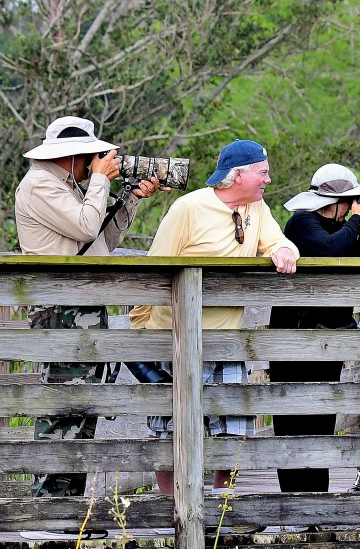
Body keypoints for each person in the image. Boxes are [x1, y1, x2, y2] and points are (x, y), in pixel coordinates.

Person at [14, 116, 164, 540]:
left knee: (82, 411)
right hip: (60, 309)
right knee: (61, 410)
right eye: (92, 157)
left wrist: (131, 198)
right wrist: (100, 181)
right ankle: (46, 514)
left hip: (81, 307)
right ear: (72, 156)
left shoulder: (69, 186)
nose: (99, 163)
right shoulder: (40, 184)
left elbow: (98, 245)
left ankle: (68, 516)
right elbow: (83, 225)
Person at [129, 139, 300, 496]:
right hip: (174, 337)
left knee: (235, 429)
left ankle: (224, 503)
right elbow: (153, 269)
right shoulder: (187, 208)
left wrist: (285, 249)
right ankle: (170, 506)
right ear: (238, 175)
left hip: (226, 341)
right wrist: (140, 332)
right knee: (168, 430)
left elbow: (278, 241)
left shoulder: (257, 207)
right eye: (262, 173)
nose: (268, 180)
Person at [266, 164, 360, 500]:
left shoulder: (346, 228)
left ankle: (317, 502)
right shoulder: (301, 222)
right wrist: (359, 221)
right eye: (348, 202)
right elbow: (330, 249)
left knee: (322, 418)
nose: (351, 208)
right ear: (332, 201)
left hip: (329, 338)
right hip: (294, 338)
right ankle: (294, 502)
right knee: (292, 422)